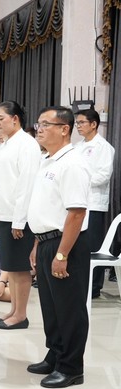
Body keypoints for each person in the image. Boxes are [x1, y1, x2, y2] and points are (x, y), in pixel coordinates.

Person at [27, 106, 91, 389]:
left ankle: (71, 367)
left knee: (69, 308)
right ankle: (55, 355)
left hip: (66, 243)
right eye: (38, 124)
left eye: (45, 124)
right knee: (51, 307)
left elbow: (76, 213)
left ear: (64, 129)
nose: (39, 129)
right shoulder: (48, 160)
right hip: (46, 241)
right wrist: (37, 244)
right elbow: (45, 207)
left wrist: (62, 254)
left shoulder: (73, 163)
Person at [0, 101, 40, 330]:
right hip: (5, 213)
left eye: (1, 118)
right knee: (10, 266)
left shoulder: (27, 144)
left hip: (18, 217)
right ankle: (13, 310)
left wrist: (19, 220)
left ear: (15, 119)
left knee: (20, 267)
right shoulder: (5, 144)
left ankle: (21, 315)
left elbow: (26, 185)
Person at [74, 108, 115, 295]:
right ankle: (81, 283)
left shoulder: (103, 147)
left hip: (94, 203)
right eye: (77, 123)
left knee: (92, 245)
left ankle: (95, 286)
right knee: (79, 245)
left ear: (94, 124)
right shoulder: (78, 146)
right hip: (78, 202)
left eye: (82, 122)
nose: (78, 126)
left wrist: (81, 180)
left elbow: (103, 176)